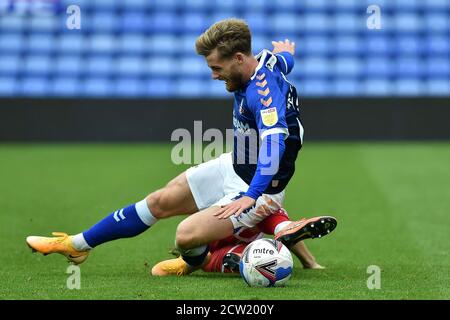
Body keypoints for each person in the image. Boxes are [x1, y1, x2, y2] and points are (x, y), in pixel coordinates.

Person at [26, 19, 337, 273]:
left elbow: (274, 146)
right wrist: (288, 53)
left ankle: (224, 257)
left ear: (239, 58)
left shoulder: (262, 94)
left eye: (217, 68)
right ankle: (77, 245)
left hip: (262, 185)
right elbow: (284, 61)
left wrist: (251, 196)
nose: (214, 75)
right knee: (159, 201)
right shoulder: (265, 61)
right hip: (236, 163)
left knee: (185, 236)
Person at [151, 208, 329, 276]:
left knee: (270, 215)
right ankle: (193, 262)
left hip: (236, 240)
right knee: (233, 257)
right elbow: (157, 271)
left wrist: (310, 262)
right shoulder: (216, 201)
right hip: (210, 245)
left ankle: (247, 261)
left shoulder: (262, 202)